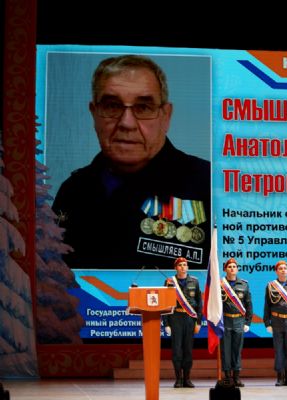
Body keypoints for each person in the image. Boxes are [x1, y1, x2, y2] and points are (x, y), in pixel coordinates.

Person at [52, 54, 211, 269]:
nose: (127, 123)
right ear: (94, 114)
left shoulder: (207, 185)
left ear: (166, 116)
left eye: (143, 107)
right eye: (112, 106)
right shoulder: (72, 191)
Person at [163, 257, 202, 388]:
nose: (183, 267)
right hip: (175, 318)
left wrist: (199, 322)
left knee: (188, 350)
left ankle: (187, 379)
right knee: (177, 350)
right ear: (175, 268)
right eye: (180, 265)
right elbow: (165, 303)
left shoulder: (194, 281)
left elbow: (199, 303)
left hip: (190, 318)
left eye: (185, 265)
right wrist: (166, 324)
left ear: (187, 267)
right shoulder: (169, 282)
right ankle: (178, 379)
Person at [220, 257, 253, 387]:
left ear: (237, 269)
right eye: (229, 267)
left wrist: (247, 322)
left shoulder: (244, 284)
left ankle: (237, 377)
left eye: (234, 266)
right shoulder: (220, 284)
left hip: (239, 320)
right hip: (225, 320)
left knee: (237, 350)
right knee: (226, 350)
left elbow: (249, 305)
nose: (232, 268)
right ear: (225, 269)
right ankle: (228, 377)